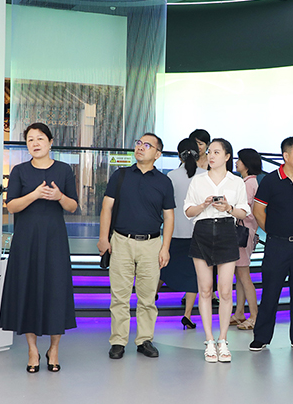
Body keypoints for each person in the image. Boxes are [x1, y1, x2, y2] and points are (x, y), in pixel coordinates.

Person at [0, 123, 78, 373]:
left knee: (56, 291)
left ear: (50, 142)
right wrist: (34, 195)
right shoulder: (20, 170)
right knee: (28, 290)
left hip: (55, 240)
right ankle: (32, 350)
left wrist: (59, 197)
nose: (35, 143)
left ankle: (54, 349)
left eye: (40, 138)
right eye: (30, 139)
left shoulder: (64, 170)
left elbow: (73, 206)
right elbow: (11, 206)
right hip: (26, 241)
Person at [98, 133, 175, 360]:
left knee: (147, 297)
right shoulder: (120, 175)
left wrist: (165, 247)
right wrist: (103, 238)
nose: (140, 147)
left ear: (157, 154)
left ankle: (144, 340)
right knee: (119, 296)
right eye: (139, 143)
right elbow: (106, 208)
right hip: (121, 241)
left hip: (151, 244)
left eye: (147, 145)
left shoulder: (164, 182)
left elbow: (169, 217)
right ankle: (118, 341)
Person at [249, 137, 293, 353]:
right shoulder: (270, 180)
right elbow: (258, 211)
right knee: (270, 292)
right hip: (276, 245)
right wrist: (273, 231)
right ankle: (261, 337)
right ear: (286, 156)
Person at [184, 138, 250, 362]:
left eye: (216, 152)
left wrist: (228, 208)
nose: (211, 156)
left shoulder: (236, 182)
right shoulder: (198, 180)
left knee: (225, 291)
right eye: (209, 152)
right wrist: (203, 205)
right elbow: (188, 211)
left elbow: (244, 212)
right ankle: (209, 340)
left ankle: (223, 339)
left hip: (226, 232)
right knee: (205, 290)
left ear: (227, 156)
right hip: (202, 232)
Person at [160, 138, 205, 330]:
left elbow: (165, 205)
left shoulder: (171, 176)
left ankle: (150, 300)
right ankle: (187, 314)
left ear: (179, 155)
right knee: (195, 275)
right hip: (198, 233)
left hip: (174, 231)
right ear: (198, 154)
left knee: (163, 268)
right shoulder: (205, 176)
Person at [231, 148, 262, 330]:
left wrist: (230, 208)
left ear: (246, 164)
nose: (236, 163)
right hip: (246, 231)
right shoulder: (248, 182)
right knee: (240, 273)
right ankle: (239, 313)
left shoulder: (248, 184)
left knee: (243, 274)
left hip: (243, 232)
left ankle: (254, 316)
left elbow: (246, 211)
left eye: (239, 160)